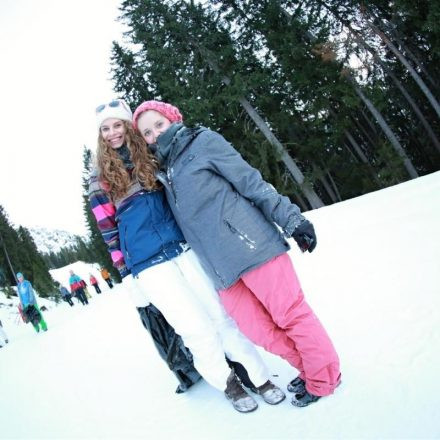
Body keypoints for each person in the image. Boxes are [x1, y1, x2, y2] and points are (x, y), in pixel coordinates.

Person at [133, 100, 341, 407]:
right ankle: (308, 367)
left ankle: (324, 379)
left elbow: (250, 181)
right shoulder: (162, 172)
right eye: (147, 132)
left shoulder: (202, 142)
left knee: (290, 315)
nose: (154, 135)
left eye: (158, 125)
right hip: (221, 270)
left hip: (252, 245)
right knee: (258, 330)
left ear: (173, 119)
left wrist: (291, 218)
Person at [88, 99, 285, 413]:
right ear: (99, 135)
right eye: (105, 128)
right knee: (194, 328)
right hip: (148, 265)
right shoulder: (100, 181)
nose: (113, 133)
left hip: (184, 248)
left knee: (222, 317)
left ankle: (259, 378)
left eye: (118, 124)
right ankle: (228, 384)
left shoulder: (152, 158)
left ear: (128, 125)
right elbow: (109, 233)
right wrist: (127, 276)